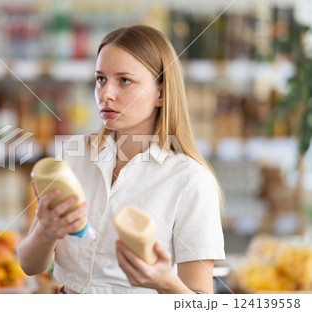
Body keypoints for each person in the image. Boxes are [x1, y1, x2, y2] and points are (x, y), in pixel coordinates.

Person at [17, 25, 225, 294]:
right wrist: (46, 231)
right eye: (101, 79)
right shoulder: (74, 154)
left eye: (124, 81)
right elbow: (29, 264)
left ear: (161, 93)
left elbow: (199, 300)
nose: (105, 94)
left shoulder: (190, 180)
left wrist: (164, 282)